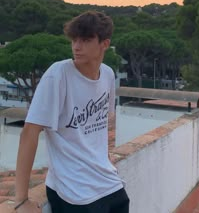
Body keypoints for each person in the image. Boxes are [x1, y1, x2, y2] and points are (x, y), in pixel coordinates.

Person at [14, 11, 130, 213]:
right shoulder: (58, 74)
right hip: (74, 193)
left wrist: (105, 159)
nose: (76, 46)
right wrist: (21, 200)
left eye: (85, 40)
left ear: (104, 43)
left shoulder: (108, 75)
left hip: (109, 184)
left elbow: (103, 124)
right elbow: (29, 132)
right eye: (74, 40)